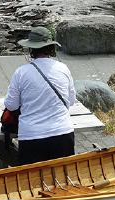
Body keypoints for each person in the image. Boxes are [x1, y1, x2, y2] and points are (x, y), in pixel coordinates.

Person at [4, 27, 76, 165]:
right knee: (64, 181)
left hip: (32, 135)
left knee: (33, 183)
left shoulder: (21, 72)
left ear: (31, 49)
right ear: (51, 48)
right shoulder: (63, 68)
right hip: (62, 132)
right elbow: (71, 101)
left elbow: (11, 105)